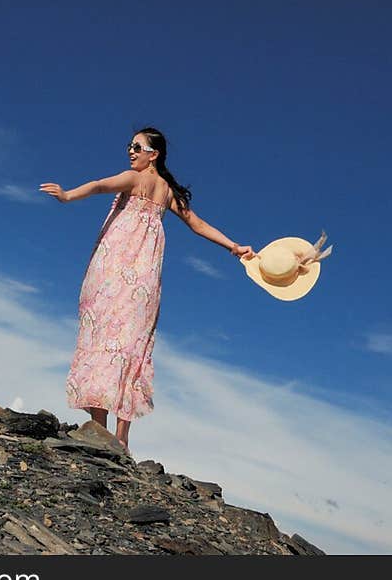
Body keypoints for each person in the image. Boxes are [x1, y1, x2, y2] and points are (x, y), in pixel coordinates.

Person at [40, 126, 255, 450]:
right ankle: (120, 439)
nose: (131, 151)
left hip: (113, 270)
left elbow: (100, 185)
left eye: (137, 147)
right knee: (132, 345)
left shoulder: (136, 178)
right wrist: (233, 246)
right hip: (143, 277)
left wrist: (68, 195)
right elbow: (197, 224)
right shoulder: (167, 191)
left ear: (153, 154)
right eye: (129, 146)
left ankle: (101, 431)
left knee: (103, 338)